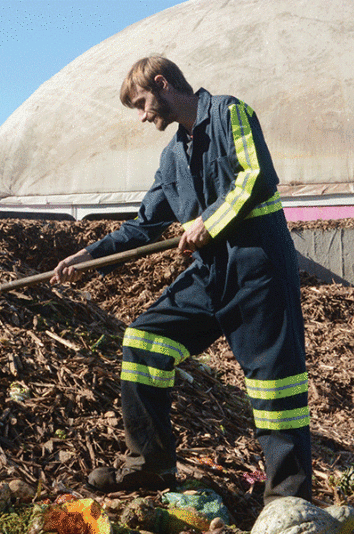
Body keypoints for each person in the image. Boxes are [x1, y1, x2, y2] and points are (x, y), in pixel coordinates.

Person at [51, 56, 311, 502]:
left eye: (142, 102)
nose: (142, 115)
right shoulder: (172, 156)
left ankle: (288, 498)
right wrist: (88, 256)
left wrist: (208, 222)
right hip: (211, 272)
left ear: (163, 83)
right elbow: (144, 224)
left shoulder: (231, 113)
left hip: (259, 266)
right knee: (143, 341)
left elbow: (255, 177)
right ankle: (151, 464)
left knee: (274, 380)